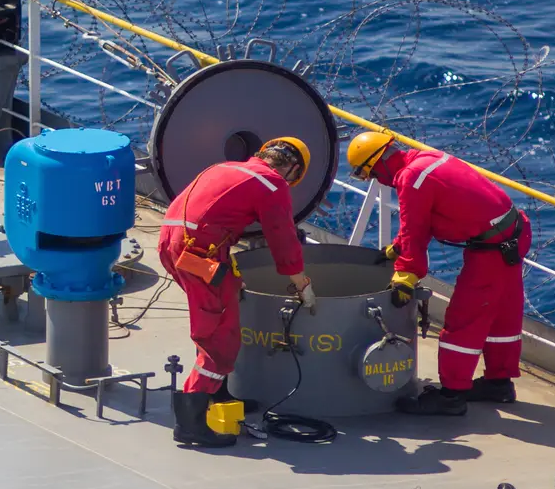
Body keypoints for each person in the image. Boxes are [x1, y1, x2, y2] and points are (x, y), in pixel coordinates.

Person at [346, 131, 531, 415]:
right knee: (502, 317)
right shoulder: (427, 158)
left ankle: (451, 396)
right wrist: (398, 248)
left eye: (370, 174)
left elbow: (415, 229)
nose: (376, 181)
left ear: (379, 163)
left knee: (463, 320)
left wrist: (406, 275)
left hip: (492, 251)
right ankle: (499, 383)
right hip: (513, 235)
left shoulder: (411, 179)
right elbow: (435, 212)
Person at [158, 137, 313, 448]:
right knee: (219, 337)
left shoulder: (225, 168)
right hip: (200, 256)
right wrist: (302, 283)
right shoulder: (271, 183)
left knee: (215, 318)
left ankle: (217, 393)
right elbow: (282, 238)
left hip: (173, 244)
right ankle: (191, 422)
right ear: (293, 170)